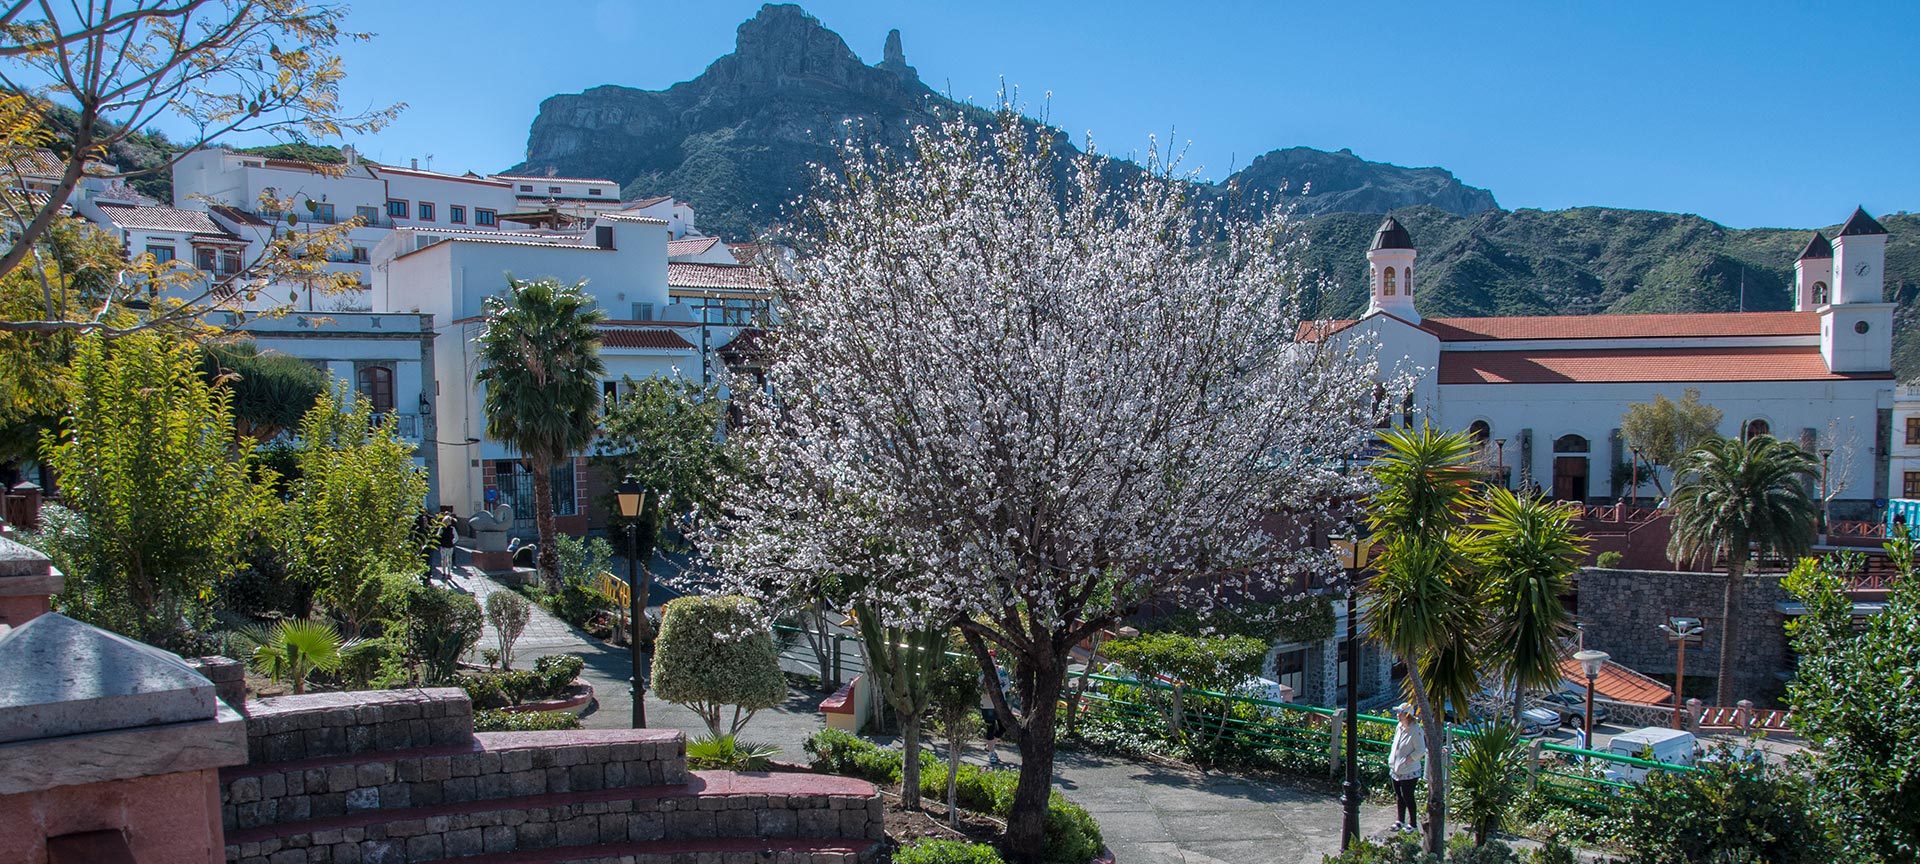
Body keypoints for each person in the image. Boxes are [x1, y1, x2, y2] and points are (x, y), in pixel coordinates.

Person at [1388, 702, 1426, 834]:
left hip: (1409, 770)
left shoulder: (1416, 730)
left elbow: (1420, 750)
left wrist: (1407, 761)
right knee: (1399, 795)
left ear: (1408, 715)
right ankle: (1400, 820)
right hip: (1396, 769)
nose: (1398, 715)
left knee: (1408, 796)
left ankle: (1413, 823)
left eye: (1401, 713)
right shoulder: (1399, 727)